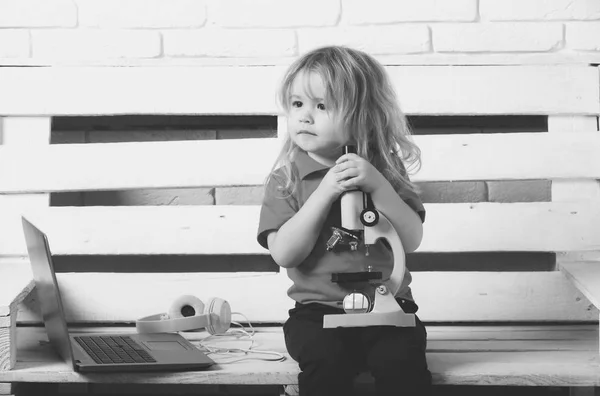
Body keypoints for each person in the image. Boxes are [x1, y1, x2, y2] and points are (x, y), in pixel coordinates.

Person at [256, 46, 431, 396]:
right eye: (297, 104)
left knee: (401, 363)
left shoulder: (386, 173)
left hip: (389, 308)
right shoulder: (286, 181)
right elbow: (285, 255)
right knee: (326, 363)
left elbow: (410, 240)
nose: (305, 117)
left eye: (321, 106)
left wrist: (377, 185)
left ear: (363, 116)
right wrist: (325, 191)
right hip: (316, 314)